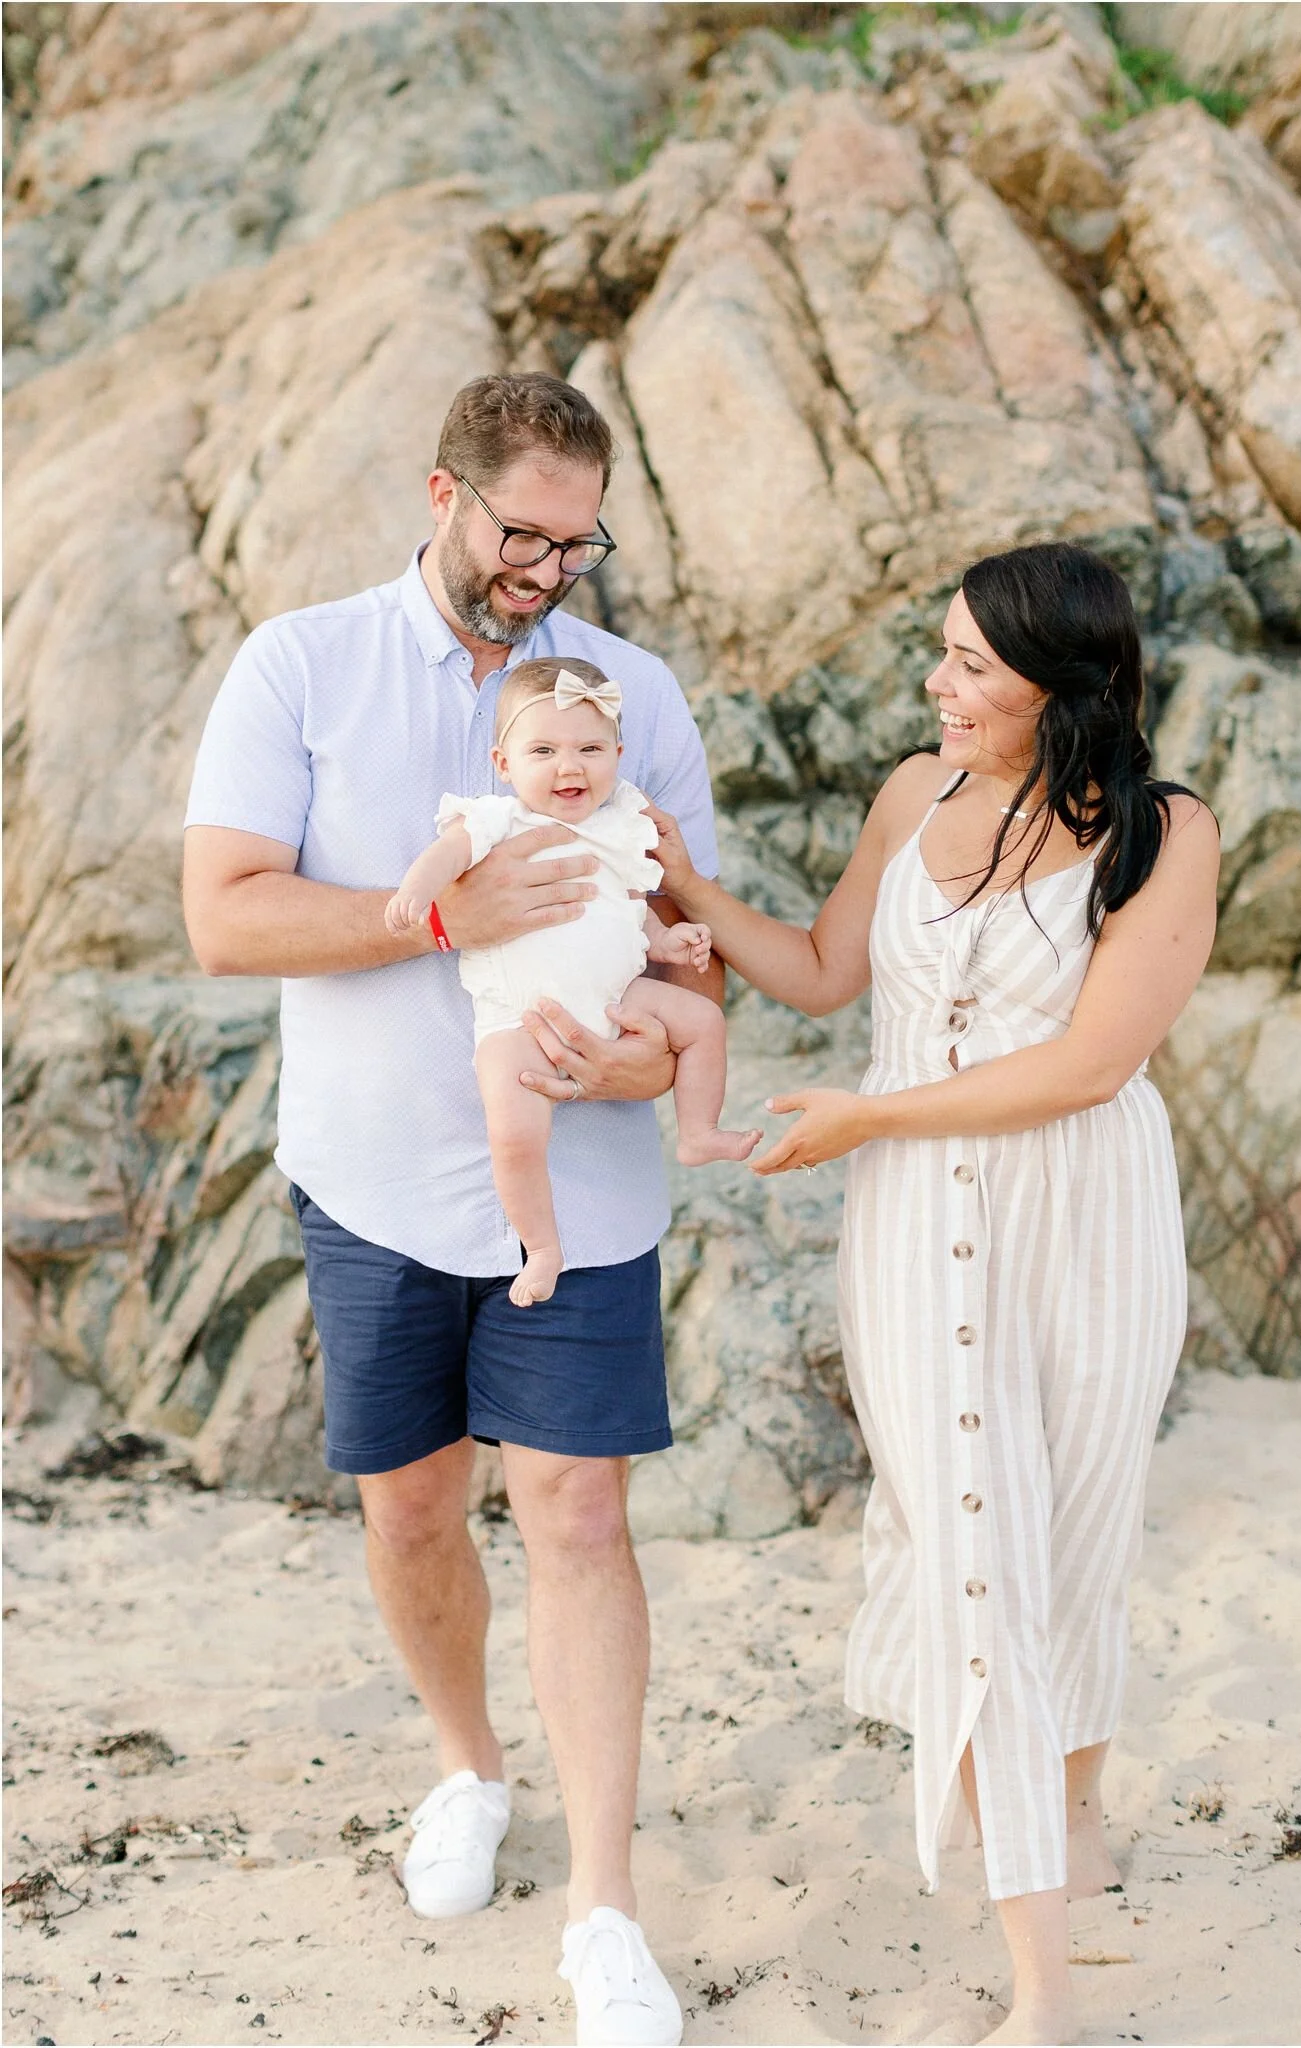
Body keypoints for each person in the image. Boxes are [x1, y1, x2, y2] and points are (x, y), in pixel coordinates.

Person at [182, 372, 715, 2047]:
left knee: (574, 1514)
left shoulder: (636, 692)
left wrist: (651, 1054)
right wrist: (441, 916)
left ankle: (607, 1904)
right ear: (441, 493)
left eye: (579, 539)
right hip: (374, 1180)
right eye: (520, 532)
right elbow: (226, 918)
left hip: (593, 1187)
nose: (547, 567)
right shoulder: (302, 664)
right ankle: (470, 1771)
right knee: (411, 1513)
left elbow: (685, 928)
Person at [645, 541, 1220, 2047]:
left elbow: (1093, 1063)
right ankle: (1042, 1994)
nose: (937, 684)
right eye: (941, 655)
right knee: (980, 1552)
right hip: (913, 1229)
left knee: (1076, 1529)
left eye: (970, 664)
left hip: (1086, 1216)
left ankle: (1070, 1814)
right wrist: (685, 885)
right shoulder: (916, 793)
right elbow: (831, 972)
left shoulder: (1164, 834)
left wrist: (868, 1118)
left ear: (1062, 683)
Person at [384, 654, 759, 1305]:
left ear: (617, 752)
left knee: (702, 1021)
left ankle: (698, 1130)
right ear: (505, 764)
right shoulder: (502, 819)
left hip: (617, 998)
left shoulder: (619, 826)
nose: (570, 766)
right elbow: (451, 852)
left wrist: (670, 939)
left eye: (590, 748)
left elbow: (630, 909)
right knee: (514, 1130)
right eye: (544, 750)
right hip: (519, 1016)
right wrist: (420, 887)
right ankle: (543, 1249)